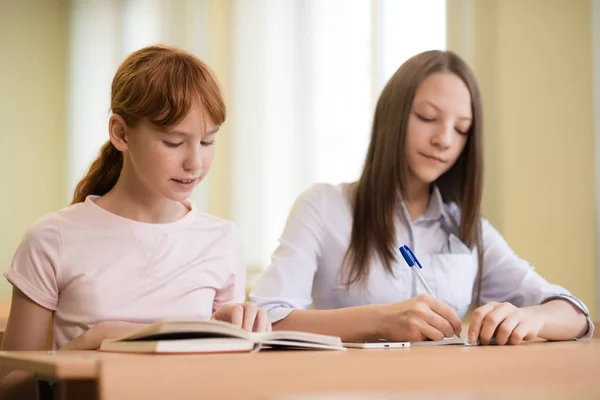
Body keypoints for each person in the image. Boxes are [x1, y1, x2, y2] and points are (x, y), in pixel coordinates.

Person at [250, 50, 593, 345]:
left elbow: (574, 313)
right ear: (393, 116)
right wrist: (380, 320)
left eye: (461, 129)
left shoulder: (467, 230)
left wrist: (533, 318)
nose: (444, 139)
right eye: (428, 118)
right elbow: (267, 318)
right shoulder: (322, 207)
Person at [1, 45, 268, 396]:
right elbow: (9, 389)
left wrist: (236, 331)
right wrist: (85, 346)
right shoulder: (52, 238)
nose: (195, 163)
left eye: (207, 141)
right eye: (174, 143)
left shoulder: (222, 238)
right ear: (121, 133)